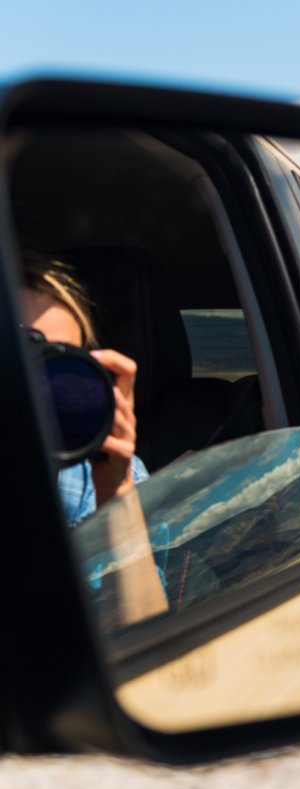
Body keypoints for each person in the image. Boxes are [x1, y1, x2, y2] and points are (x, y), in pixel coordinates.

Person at [19, 252, 168, 624]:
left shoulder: (99, 476)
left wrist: (115, 488)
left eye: (53, 363)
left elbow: (141, 633)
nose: (31, 387)